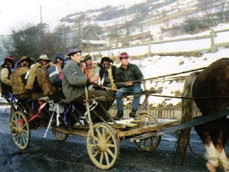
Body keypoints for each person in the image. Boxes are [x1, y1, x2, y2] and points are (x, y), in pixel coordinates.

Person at [62, 48, 107, 118]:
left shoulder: (76, 65)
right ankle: (95, 117)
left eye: (80, 55)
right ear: (71, 57)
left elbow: (81, 80)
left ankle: (95, 116)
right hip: (75, 94)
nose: (80, 57)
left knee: (102, 93)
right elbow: (73, 80)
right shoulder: (70, 65)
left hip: (78, 92)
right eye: (77, 55)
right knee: (103, 95)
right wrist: (89, 80)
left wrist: (91, 83)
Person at [115, 52, 144, 119]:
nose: (126, 60)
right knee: (117, 94)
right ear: (121, 60)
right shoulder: (118, 70)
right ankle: (120, 112)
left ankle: (133, 111)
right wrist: (125, 84)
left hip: (135, 85)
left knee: (137, 93)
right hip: (125, 87)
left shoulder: (134, 67)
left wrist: (135, 81)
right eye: (124, 59)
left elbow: (140, 76)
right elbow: (117, 83)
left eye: (127, 58)